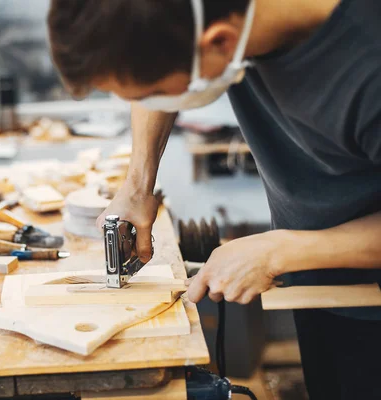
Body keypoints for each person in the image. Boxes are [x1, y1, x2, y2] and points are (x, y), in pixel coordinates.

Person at [47, 0, 381, 398]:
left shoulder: (370, 64)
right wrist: (137, 185)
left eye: (156, 92)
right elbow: (150, 64)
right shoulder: (220, 20)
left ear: (219, 42)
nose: (153, 99)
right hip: (313, 281)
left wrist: (282, 251)